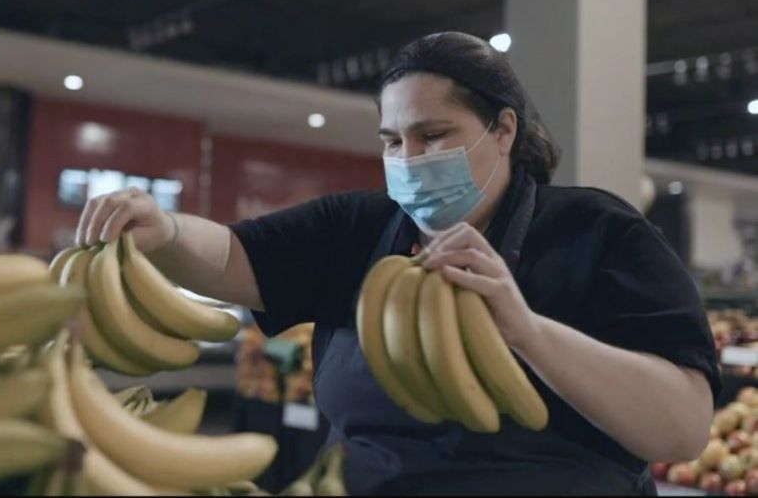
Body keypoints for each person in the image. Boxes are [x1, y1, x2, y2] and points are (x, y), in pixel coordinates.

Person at [75, 32, 720, 495]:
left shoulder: (601, 233)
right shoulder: (359, 229)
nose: (410, 158)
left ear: (503, 131)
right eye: (393, 140)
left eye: (434, 136)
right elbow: (230, 255)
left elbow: (683, 430)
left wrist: (525, 328)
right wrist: (163, 228)